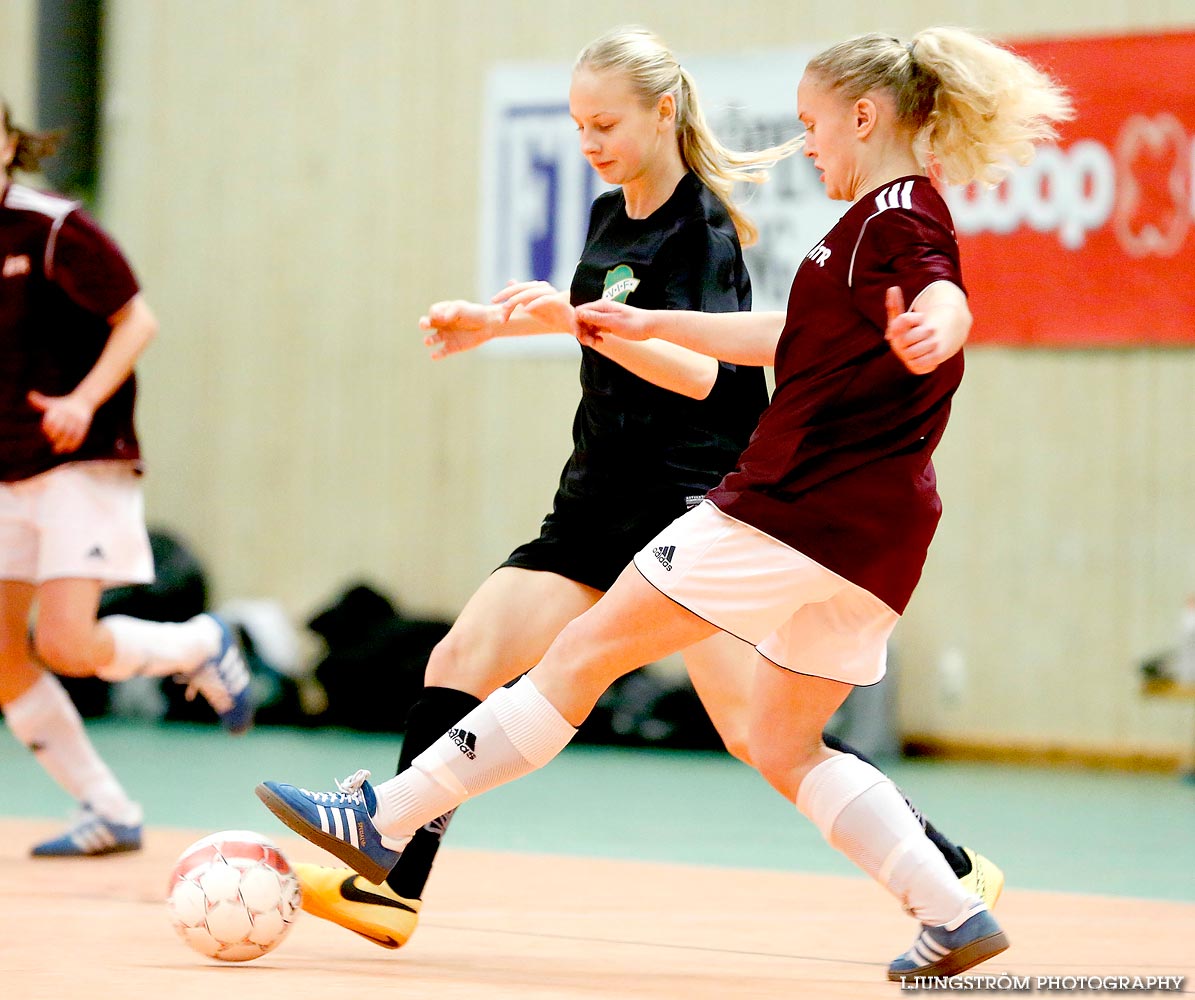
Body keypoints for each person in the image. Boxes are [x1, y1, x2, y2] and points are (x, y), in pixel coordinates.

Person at [259, 25, 1070, 980]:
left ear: (863, 115)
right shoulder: (858, 230)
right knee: (772, 735)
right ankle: (952, 902)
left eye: (813, 124)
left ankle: (382, 823)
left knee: (583, 662)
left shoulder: (885, 217)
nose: (806, 143)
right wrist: (618, 318)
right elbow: (783, 336)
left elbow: (936, 293)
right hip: (859, 533)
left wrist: (940, 325)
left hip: (762, 508)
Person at [0, 100, 255, 857]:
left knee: (68, 644)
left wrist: (81, 400)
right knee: (5, 654)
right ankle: (108, 809)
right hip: (8, 469)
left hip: (81, 460)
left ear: (10, 144)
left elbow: (136, 319)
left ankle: (196, 645)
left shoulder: (51, 228)